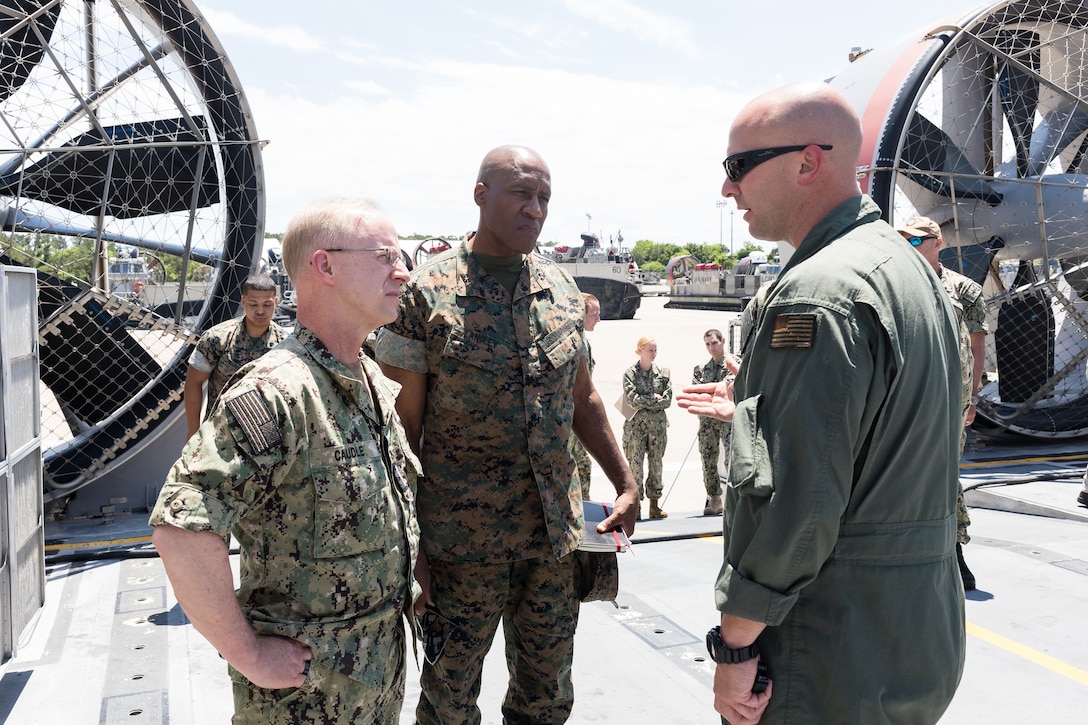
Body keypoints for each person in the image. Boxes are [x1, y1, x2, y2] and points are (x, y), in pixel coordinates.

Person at [676, 82, 965, 725]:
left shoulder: (819, 291)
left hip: (830, 647)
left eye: (738, 166)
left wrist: (736, 641)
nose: (728, 189)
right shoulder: (905, 267)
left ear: (808, 162)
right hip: (912, 634)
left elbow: (799, 500)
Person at [375, 144, 638, 725]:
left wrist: (625, 479)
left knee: (546, 697)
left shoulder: (562, 289)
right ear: (480, 196)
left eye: (544, 197)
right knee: (449, 697)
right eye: (521, 193)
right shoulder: (425, 294)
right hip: (459, 544)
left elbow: (583, 396)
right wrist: (408, 540)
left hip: (552, 539)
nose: (535, 209)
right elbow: (400, 428)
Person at [149, 198, 421, 724]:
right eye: (386, 256)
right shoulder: (279, 391)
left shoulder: (370, 382)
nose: (403, 273)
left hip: (375, 686)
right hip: (304, 702)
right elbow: (180, 529)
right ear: (326, 266)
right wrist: (248, 654)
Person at [897, 214, 987, 591]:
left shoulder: (964, 291)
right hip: (908, 396)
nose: (910, 248)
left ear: (938, 243)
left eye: (917, 241)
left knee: (945, 471)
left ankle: (954, 548)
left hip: (950, 398)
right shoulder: (898, 286)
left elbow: (977, 344)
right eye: (906, 241)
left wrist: (972, 398)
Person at [183, 273, 288, 438]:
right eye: (253, 304)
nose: (260, 311)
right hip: (221, 434)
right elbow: (193, 383)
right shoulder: (217, 338)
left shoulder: (285, 345)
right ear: (243, 301)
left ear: (275, 302)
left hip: (267, 437)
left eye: (267, 304)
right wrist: (193, 432)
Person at [622, 336, 673, 520]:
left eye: (655, 350)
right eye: (650, 350)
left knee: (656, 465)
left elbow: (667, 400)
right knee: (635, 467)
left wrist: (645, 401)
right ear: (640, 350)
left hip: (657, 429)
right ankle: (635, 507)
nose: (654, 353)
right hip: (636, 428)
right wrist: (654, 399)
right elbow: (631, 400)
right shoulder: (630, 374)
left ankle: (654, 505)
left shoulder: (664, 373)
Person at [693, 329, 731, 516]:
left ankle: (733, 499)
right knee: (708, 460)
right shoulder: (701, 369)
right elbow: (697, 392)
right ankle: (715, 499)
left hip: (728, 421)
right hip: (708, 422)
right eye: (707, 344)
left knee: (732, 459)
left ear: (722, 341)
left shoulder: (733, 365)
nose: (711, 347)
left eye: (714, 343)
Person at [570, 292, 602, 499]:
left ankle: (584, 506)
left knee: (583, 463)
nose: (598, 319)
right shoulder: (573, 341)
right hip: (571, 414)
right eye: (595, 314)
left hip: (579, 414)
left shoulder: (584, 340)